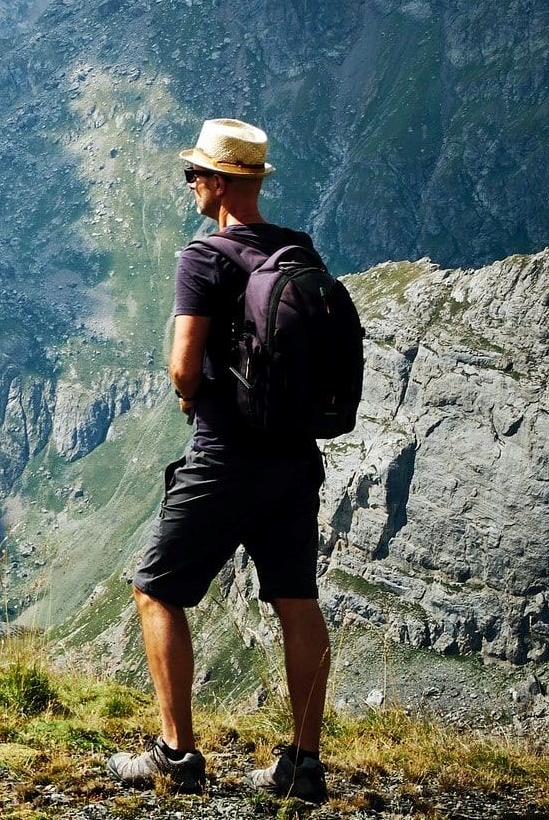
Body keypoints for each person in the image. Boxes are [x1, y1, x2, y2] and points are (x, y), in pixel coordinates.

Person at [106, 118, 332, 803]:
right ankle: (303, 764)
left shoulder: (202, 257)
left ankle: (175, 756)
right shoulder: (299, 248)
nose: (189, 186)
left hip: (224, 456)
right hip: (293, 458)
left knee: (156, 590)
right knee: (296, 601)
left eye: (193, 175)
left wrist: (191, 401)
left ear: (218, 183)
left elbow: (182, 366)